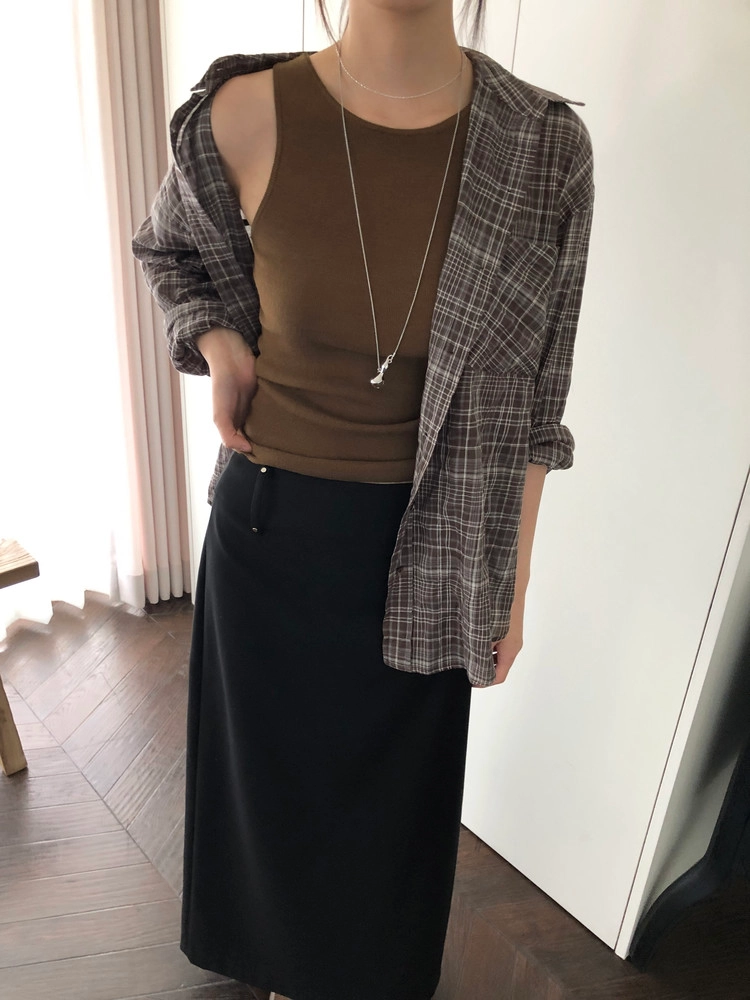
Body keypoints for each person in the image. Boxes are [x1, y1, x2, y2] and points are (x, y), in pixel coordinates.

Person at [132, 1, 595, 997]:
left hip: (437, 539)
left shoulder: (543, 148)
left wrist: (509, 588)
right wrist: (219, 341)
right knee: (273, 804)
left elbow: (538, 406)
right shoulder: (245, 111)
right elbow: (168, 249)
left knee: (394, 821)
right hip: (271, 531)